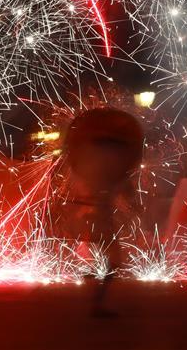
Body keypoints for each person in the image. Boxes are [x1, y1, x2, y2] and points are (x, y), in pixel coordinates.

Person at [58, 108, 144, 317]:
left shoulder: (89, 159)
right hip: (98, 218)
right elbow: (122, 189)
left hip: (89, 216)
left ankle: (94, 295)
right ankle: (96, 301)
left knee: (104, 259)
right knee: (113, 261)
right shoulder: (109, 163)